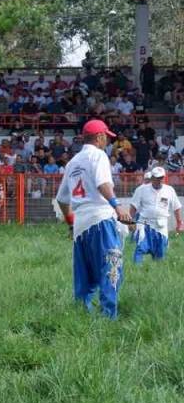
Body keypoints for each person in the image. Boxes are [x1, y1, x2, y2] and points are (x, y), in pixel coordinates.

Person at [56, 119, 136, 319]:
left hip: (81, 224)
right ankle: (109, 317)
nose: (107, 142)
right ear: (99, 137)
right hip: (100, 218)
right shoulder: (98, 156)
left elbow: (62, 198)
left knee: (84, 274)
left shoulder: (73, 162)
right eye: (106, 138)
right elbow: (103, 184)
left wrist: (70, 222)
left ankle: (82, 316)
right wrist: (117, 206)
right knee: (111, 268)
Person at [129, 166, 182, 263]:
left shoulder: (169, 190)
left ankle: (156, 271)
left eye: (161, 177)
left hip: (161, 226)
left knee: (160, 254)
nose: (160, 180)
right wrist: (130, 222)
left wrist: (180, 223)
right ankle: (136, 270)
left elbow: (177, 207)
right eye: (157, 178)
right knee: (140, 248)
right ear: (152, 178)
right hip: (144, 224)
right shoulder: (141, 190)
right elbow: (133, 207)